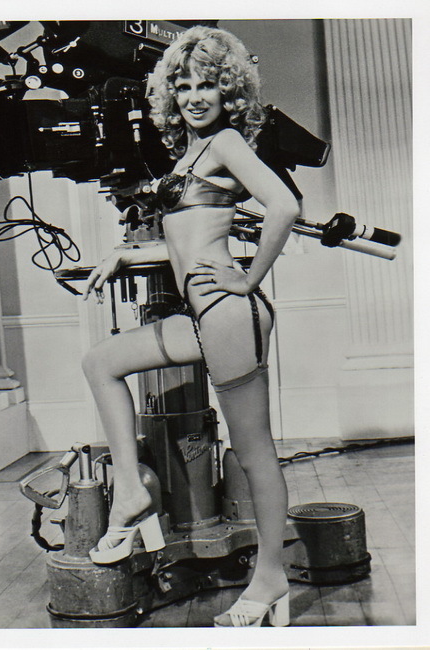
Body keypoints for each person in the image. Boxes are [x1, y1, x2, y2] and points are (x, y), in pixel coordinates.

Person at [81, 25, 300, 628]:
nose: (195, 97)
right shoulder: (192, 153)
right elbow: (188, 240)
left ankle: (270, 580)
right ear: (169, 95)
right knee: (101, 362)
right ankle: (133, 492)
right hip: (203, 317)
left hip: (229, 314)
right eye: (183, 86)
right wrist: (127, 255)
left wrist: (248, 280)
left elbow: (284, 206)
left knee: (254, 454)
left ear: (229, 90)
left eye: (207, 85)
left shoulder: (225, 141)